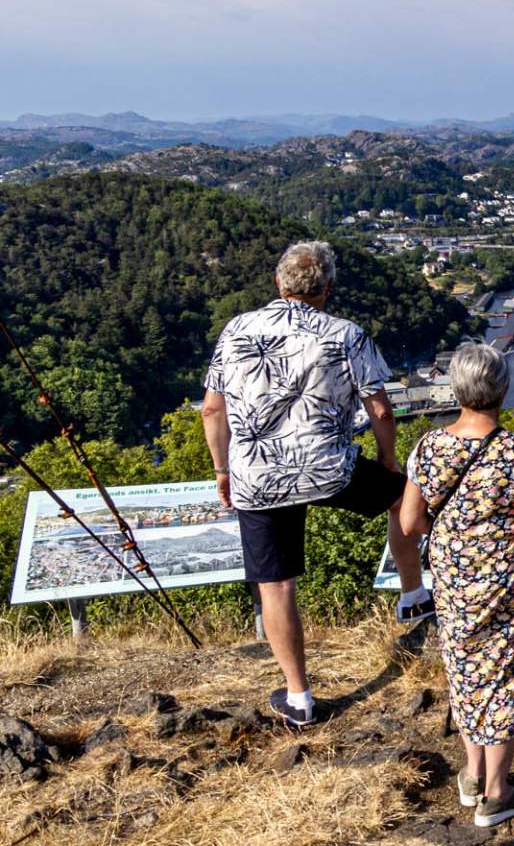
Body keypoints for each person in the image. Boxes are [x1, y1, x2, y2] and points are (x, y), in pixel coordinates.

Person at [200, 241, 433, 728]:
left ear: (277, 283)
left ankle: (299, 697)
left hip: (257, 475)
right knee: (404, 498)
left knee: (277, 584)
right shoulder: (345, 334)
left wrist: (224, 470)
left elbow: (212, 409)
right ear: (327, 288)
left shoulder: (237, 329)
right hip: (329, 467)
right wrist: (389, 461)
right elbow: (381, 409)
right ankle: (413, 597)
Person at [399, 342, 514, 829]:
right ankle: (497, 793)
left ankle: (471, 775)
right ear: (502, 389)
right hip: (507, 582)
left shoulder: (428, 446)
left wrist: (456, 533)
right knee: (505, 676)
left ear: (456, 390)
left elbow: (410, 522)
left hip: (452, 580)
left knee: (465, 673)